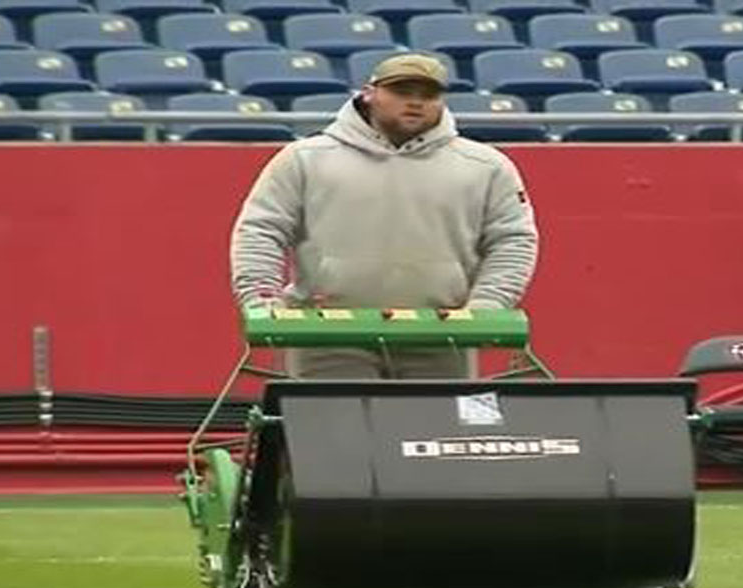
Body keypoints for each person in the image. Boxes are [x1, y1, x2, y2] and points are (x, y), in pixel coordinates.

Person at [229, 53, 539, 379]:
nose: (415, 103)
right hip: (324, 336)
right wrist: (261, 300)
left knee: (433, 430)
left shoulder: (487, 166)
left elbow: (513, 241)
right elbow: (261, 230)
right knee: (332, 429)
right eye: (402, 92)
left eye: (428, 95)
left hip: (443, 336)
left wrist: (486, 308)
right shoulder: (304, 158)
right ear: (368, 93)